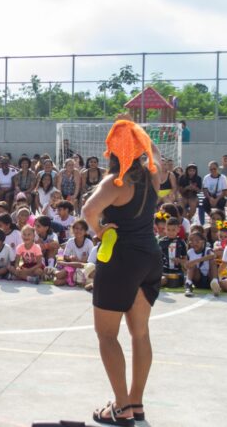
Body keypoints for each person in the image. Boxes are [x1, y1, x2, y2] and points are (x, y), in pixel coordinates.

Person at [81, 116, 162, 425]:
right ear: (139, 148)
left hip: (121, 260)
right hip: (149, 257)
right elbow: (156, 155)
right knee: (140, 333)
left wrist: (99, 230)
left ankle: (121, 407)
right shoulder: (152, 177)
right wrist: (141, 136)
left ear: (113, 149)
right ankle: (136, 403)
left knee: (106, 335)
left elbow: (88, 210)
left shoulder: (116, 181)